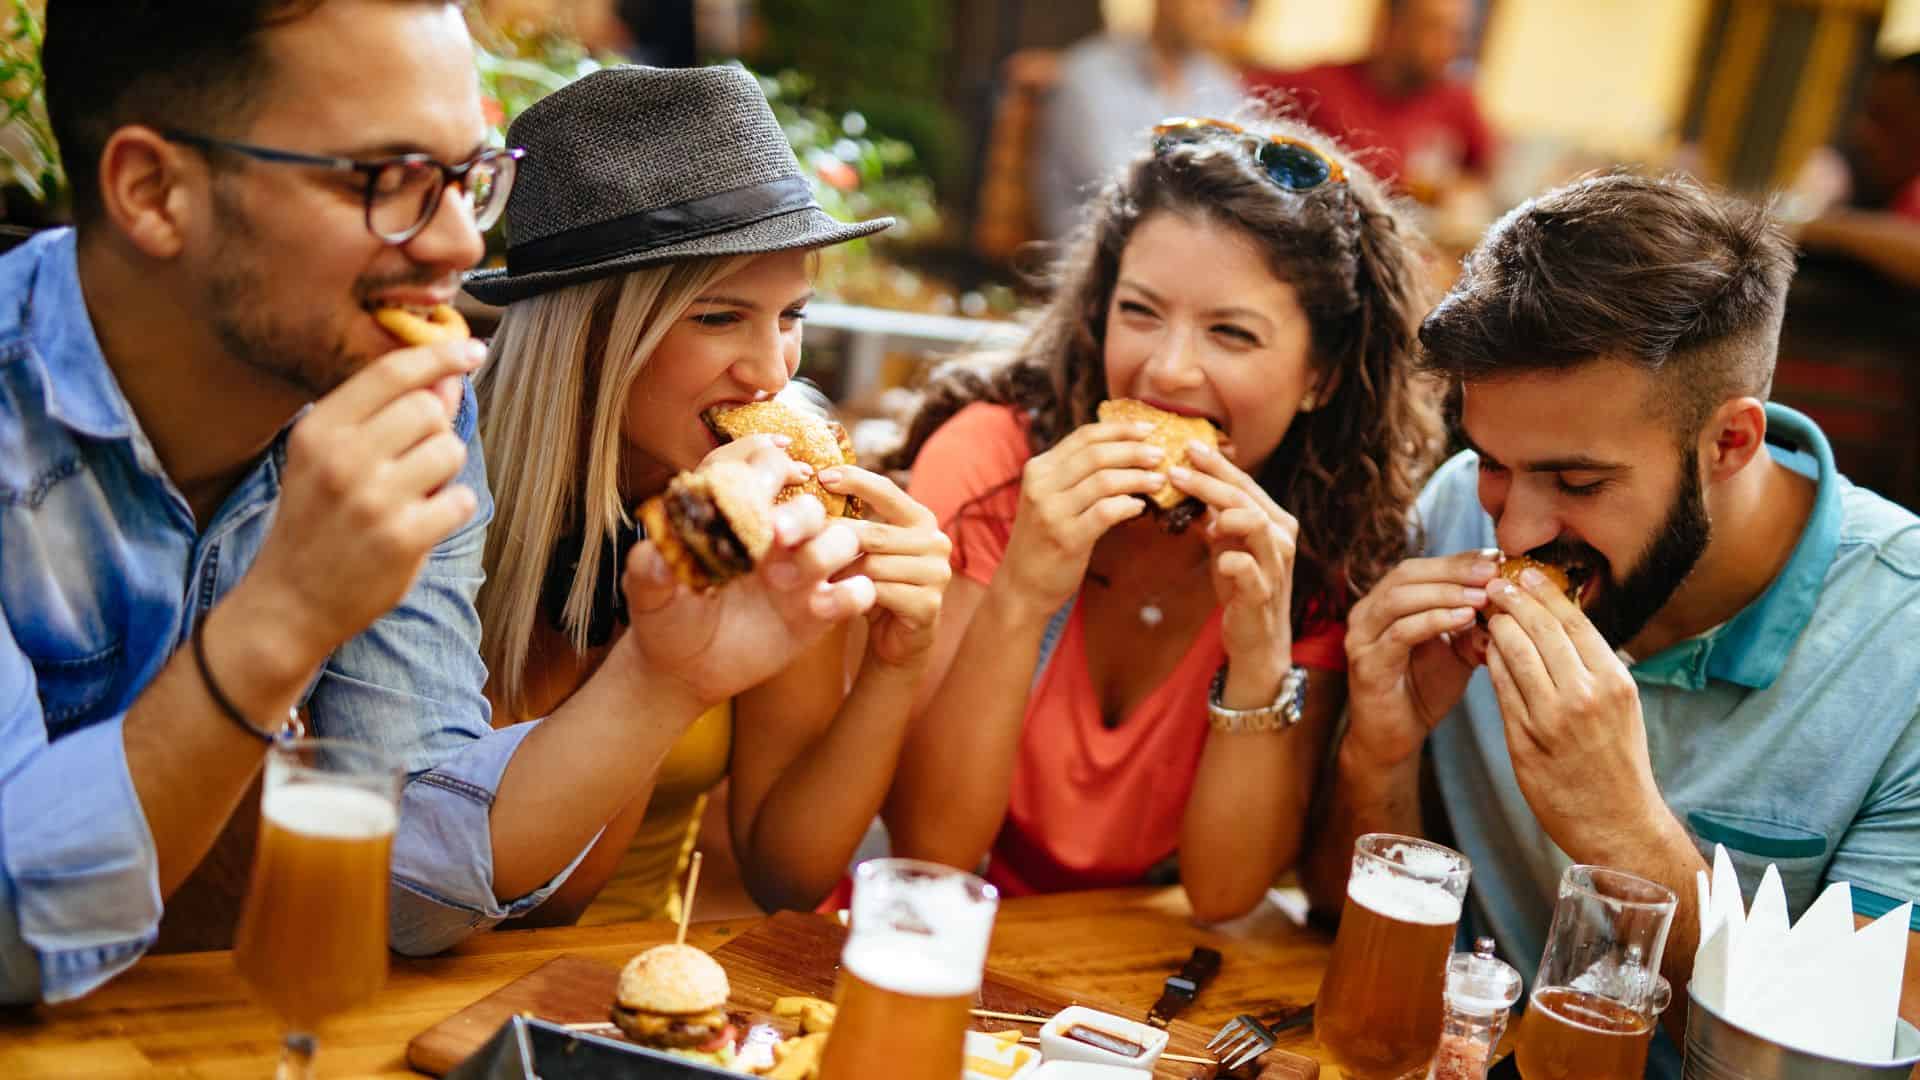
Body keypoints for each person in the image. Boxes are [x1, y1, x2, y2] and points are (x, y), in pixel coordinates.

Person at [0, 0, 860, 1004]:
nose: (458, 242)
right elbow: (14, 942)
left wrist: (662, 678)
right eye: (392, 181)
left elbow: (410, 882)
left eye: (469, 178)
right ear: (153, 192)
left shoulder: (415, 407)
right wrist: (284, 617)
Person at [1322, 173, 1920, 1073]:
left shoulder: (1903, 647)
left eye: (1578, 482)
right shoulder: (1451, 513)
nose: (1514, 532)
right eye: (1492, 461)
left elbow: (1877, 1056)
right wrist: (1380, 754)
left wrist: (1628, 835)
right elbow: (1334, 918)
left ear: (1729, 443)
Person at [885, 112, 1441, 920]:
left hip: (1128, 966)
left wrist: (1260, 653)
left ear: (1320, 376)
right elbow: (930, 851)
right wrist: (1024, 593)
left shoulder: (1329, 542)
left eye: (1231, 333)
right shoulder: (991, 468)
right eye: (1141, 312)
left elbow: (1223, 893)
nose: (1168, 371)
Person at [467, 64, 952, 923]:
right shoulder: (448, 497)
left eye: (791, 316)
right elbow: (521, 898)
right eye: (719, 317)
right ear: (589, 334)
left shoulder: (771, 506)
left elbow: (788, 873)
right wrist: (658, 625)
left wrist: (894, 659)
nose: (773, 374)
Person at [1031, 0, 1248, 240]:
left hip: (1184, 238)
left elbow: (1248, 171)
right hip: (1100, 244)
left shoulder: (1218, 81)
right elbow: (1123, 187)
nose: (1222, 9)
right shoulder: (1090, 74)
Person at [1246, 0, 1494, 202]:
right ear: (1391, 24)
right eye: (1433, 28)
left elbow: (1488, 177)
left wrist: (1455, 191)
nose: (1449, 46)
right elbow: (1238, 95)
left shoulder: (1457, 100)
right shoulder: (1321, 85)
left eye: (1457, 34)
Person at [1794, 52, 1920, 289]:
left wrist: (1819, 227)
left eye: (1888, 119)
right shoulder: (1859, 171)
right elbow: (1826, 174)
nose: (1863, 133)